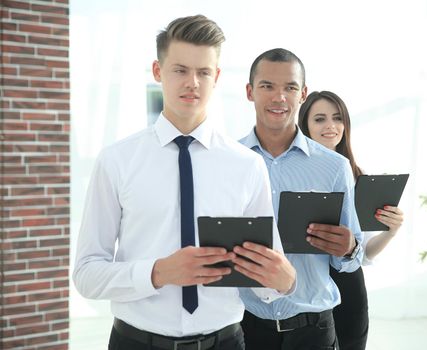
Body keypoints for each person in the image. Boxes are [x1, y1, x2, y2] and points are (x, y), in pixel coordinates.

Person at [73, 15, 296, 350]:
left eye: (203, 72)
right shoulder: (116, 160)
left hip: (225, 342)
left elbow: (266, 275)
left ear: (216, 77)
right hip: (136, 342)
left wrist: (285, 281)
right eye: (180, 69)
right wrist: (159, 272)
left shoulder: (248, 165)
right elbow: (87, 275)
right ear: (157, 71)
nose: (192, 82)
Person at [238, 48, 364, 350]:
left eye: (290, 87)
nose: (279, 97)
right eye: (267, 86)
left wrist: (348, 248)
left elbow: (352, 258)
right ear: (250, 92)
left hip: (313, 331)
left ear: (302, 94)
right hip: (244, 328)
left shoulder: (334, 166)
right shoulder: (229, 161)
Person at [298, 90, 404, 350]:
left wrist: (390, 232)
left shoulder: (358, 177)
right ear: (305, 126)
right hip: (304, 287)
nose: (330, 126)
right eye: (320, 119)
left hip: (348, 288)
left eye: (337, 118)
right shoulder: (291, 176)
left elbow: (365, 252)